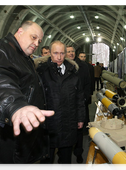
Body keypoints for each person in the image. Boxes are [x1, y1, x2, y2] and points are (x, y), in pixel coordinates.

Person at [0, 20, 54, 170]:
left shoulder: (23, 57)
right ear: (19, 31)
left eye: (39, 40)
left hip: (15, 140)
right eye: (33, 37)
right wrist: (15, 106)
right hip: (0, 144)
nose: (37, 43)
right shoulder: (0, 50)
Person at [38, 41, 85, 170]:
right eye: (55, 53)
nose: (59, 57)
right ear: (50, 54)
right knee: (46, 160)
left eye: (62, 53)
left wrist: (80, 118)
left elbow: (79, 97)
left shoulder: (73, 72)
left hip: (68, 121)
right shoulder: (42, 72)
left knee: (66, 159)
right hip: (49, 123)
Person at [66, 46, 91, 163]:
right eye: (68, 52)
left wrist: (85, 98)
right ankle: (63, 155)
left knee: (79, 130)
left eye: (72, 51)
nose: (71, 53)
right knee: (66, 130)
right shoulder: (61, 64)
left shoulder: (83, 66)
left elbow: (87, 83)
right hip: (66, 104)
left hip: (80, 102)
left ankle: (78, 152)